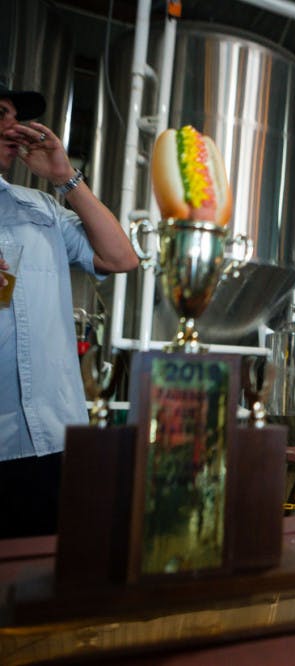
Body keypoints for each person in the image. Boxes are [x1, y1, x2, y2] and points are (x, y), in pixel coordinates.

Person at [0, 84, 138, 538]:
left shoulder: (39, 208)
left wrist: (65, 179)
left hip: (57, 443)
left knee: (56, 594)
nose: (14, 128)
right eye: (2, 114)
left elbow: (122, 258)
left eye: (15, 117)